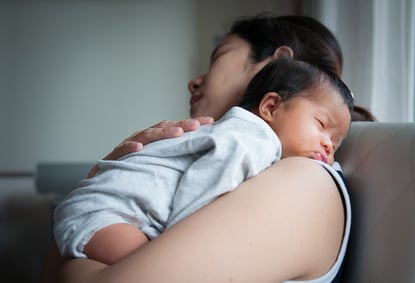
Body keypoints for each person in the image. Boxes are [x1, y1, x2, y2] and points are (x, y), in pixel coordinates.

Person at [40, 14, 354, 283]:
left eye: (218, 57)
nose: (194, 81)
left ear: (277, 61)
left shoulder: (303, 179)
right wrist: (104, 174)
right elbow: (67, 249)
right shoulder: (247, 157)